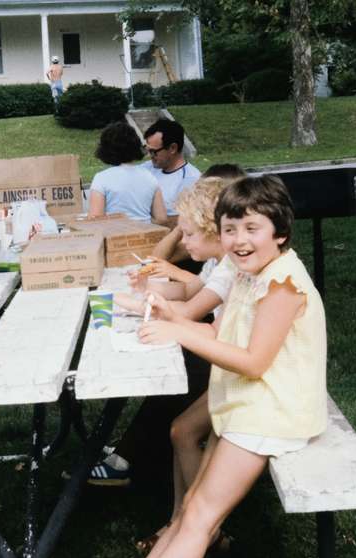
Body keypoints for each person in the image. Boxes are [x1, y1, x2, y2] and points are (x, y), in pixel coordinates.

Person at [53, 174, 328, 558]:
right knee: (189, 513)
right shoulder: (252, 274)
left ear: (280, 231)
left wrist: (180, 332)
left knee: (199, 516)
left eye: (251, 229)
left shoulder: (282, 284)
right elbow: (223, 336)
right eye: (230, 230)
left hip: (271, 412)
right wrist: (169, 322)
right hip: (246, 402)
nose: (239, 240)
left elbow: (255, 360)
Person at [86, 174, 246, 518]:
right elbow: (189, 292)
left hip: (236, 367)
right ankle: (183, 518)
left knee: (182, 404)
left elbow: (191, 309)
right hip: (229, 359)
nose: (183, 241)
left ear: (213, 230)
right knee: (179, 417)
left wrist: (150, 310)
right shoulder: (219, 262)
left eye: (188, 233)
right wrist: (142, 295)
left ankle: (198, 522)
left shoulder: (232, 267)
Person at [88, 121, 167, 224]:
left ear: (105, 149)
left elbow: (96, 218)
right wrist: (142, 220)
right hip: (146, 236)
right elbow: (162, 218)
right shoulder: (149, 176)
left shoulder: (101, 178)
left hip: (115, 236)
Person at [141, 118, 202, 217]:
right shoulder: (147, 167)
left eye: (154, 152)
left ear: (172, 148)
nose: (150, 155)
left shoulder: (191, 180)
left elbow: (182, 222)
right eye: (148, 150)